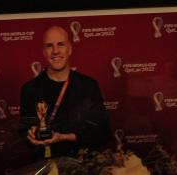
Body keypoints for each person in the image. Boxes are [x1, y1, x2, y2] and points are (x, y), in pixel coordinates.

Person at [20, 25, 111, 158]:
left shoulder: (88, 86)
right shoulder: (29, 89)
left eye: (61, 44)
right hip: (45, 170)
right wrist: (30, 134)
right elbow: (24, 131)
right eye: (49, 46)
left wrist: (64, 137)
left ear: (70, 49)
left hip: (82, 167)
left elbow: (103, 133)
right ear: (44, 52)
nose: (55, 51)